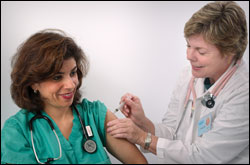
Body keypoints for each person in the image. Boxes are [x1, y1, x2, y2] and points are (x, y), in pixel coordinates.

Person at [107, 1, 249, 164]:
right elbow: (172, 133)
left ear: (229, 52)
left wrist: (141, 137)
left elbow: (204, 156)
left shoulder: (244, 94)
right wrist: (142, 122)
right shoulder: (189, 75)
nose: (189, 55)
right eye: (188, 45)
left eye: (200, 51)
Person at [1, 29, 148, 164]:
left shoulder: (95, 114)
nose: (71, 85)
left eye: (73, 73)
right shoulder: (17, 131)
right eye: (57, 77)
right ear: (33, 83)